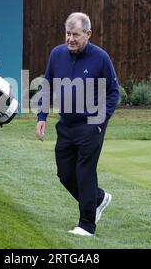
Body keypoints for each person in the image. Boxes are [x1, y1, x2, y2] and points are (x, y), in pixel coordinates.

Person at [35, 12, 119, 236]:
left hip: (91, 125)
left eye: (76, 34)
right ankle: (98, 198)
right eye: (68, 33)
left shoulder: (100, 58)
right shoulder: (57, 54)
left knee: (85, 173)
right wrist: (41, 117)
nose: (70, 39)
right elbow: (47, 85)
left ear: (88, 34)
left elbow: (113, 92)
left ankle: (86, 225)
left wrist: (100, 120)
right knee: (65, 174)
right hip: (66, 124)